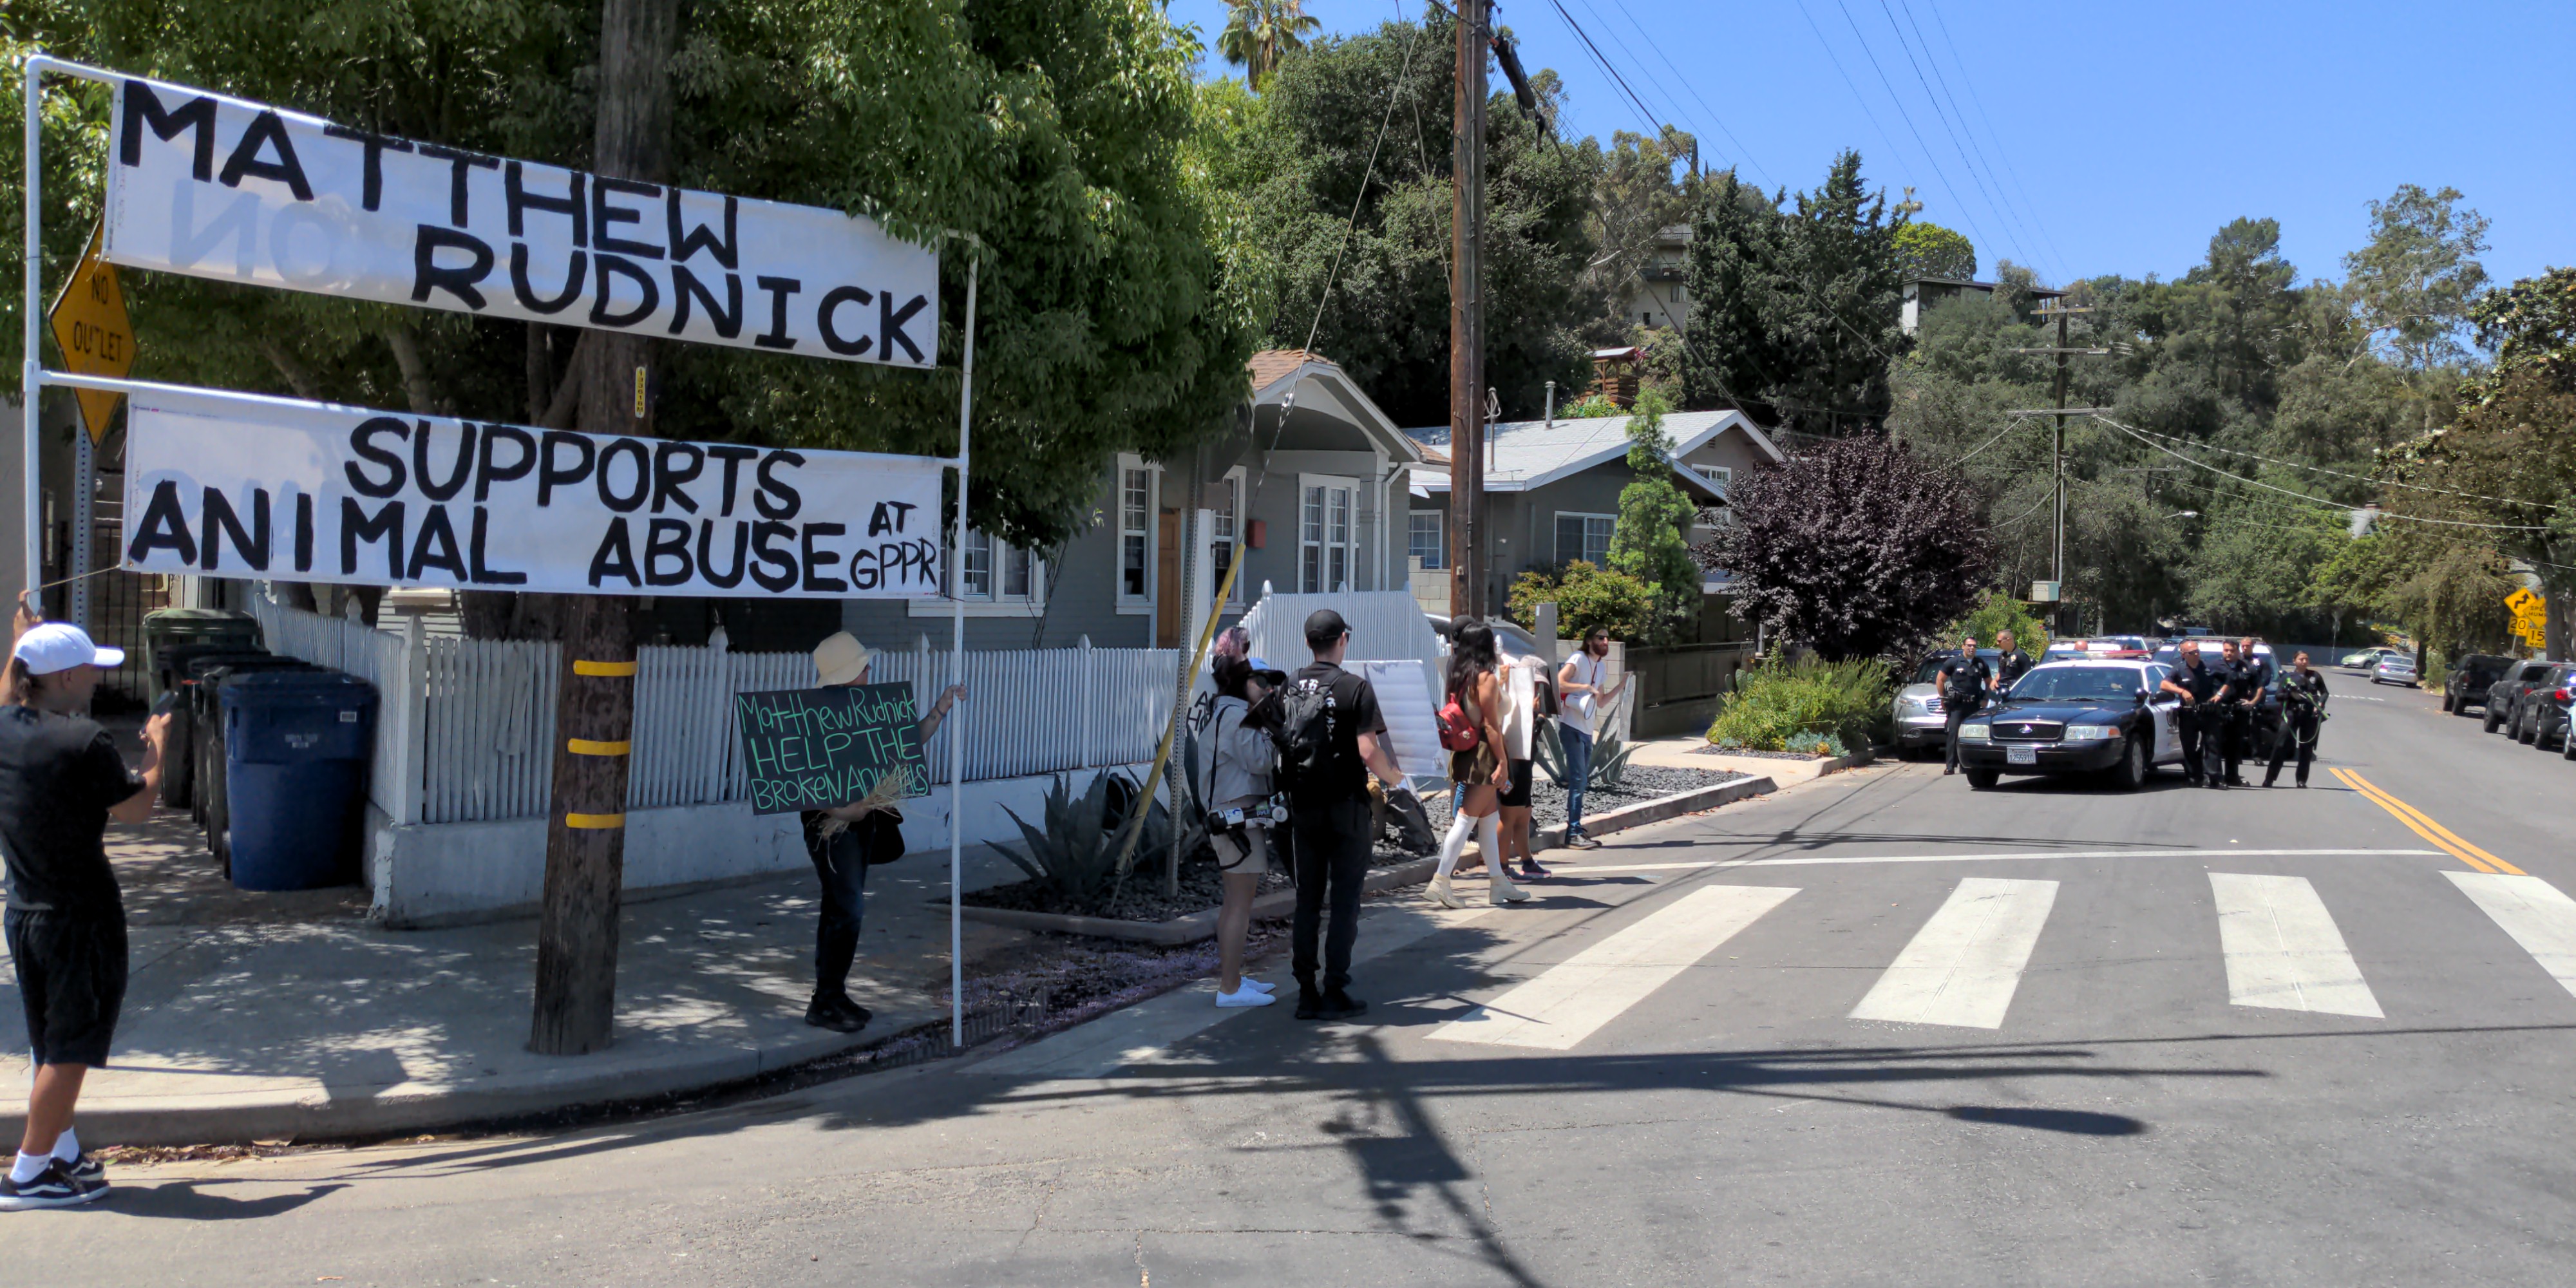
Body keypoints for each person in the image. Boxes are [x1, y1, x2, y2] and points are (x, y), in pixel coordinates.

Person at [1, 594, 169, 1209]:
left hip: (25, 912)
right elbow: (137, 809)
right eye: (92, 670)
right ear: (67, 678)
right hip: (80, 919)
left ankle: (63, 1151)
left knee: (51, 1041)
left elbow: (8, 694)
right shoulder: (84, 740)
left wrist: (20, 639)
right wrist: (156, 748)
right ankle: (28, 1175)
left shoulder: (5, 729)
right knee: (71, 1049)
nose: (98, 679)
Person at [800, 631, 963, 1034]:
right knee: (847, 908)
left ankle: (830, 995)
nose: (870, 670)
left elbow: (905, 745)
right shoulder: (815, 716)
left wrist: (939, 710)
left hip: (863, 820)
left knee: (840, 908)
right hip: (831, 828)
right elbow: (803, 778)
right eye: (863, 666)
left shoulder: (868, 710)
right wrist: (843, 811)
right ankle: (826, 1000)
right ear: (847, 675)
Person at [1276, 610, 1414, 1021]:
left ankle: (1305, 992)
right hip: (1346, 806)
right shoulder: (1355, 687)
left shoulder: (1289, 684)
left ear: (1308, 643)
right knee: (1344, 900)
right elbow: (1368, 750)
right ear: (1342, 640)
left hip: (1303, 806)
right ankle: (1335, 987)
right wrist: (1395, 778)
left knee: (1308, 899)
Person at [1198, 649, 1283, 1007]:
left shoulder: (1224, 710)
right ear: (1240, 682)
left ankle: (1233, 977)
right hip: (1236, 820)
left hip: (1235, 816)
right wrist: (1273, 730)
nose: (1267, 689)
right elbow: (1261, 761)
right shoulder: (1237, 716)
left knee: (1236, 904)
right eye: (1260, 681)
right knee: (1238, 905)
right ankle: (1230, 988)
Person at [1427, 619, 1529, 910]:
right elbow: (1491, 725)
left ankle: (1498, 882)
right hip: (1484, 754)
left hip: (1467, 752)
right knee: (1466, 819)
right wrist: (1503, 763)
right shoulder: (1486, 679)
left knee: (1487, 820)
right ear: (1485, 646)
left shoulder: (1459, 675)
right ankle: (1440, 881)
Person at [1555, 628, 1629, 849]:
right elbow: (1559, 682)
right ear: (1589, 641)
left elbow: (1601, 702)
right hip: (1571, 727)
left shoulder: (1600, 666)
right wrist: (1584, 687)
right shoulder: (1578, 658)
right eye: (1600, 638)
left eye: (1607, 638)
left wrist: (1621, 686)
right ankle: (1573, 832)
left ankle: (1576, 830)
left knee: (1582, 780)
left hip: (1587, 731)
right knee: (1579, 779)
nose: (1605, 641)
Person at [1494, 644, 1547, 881]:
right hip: (1514, 759)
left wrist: (1537, 716)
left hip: (1524, 760)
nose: (1536, 688)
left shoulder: (1527, 701)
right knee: (1509, 816)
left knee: (1524, 814)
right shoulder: (1511, 696)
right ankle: (1502, 866)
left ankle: (1527, 861)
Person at [2160, 639, 2230, 789]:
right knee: (2189, 747)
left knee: (2213, 745)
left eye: (2198, 651)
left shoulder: (2209, 667)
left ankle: (2216, 778)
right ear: (2183, 654)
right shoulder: (2179, 669)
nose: (2196, 654)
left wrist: (2220, 694)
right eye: (2192, 652)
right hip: (2189, 713)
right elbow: (2164, 684)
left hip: (2209, 712)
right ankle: (2195, 777)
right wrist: (2182, 691)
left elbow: (2229, 679)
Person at [2263, 652, 2329, 788]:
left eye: (2306, 659)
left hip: (2309, 715)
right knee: (2280, 745)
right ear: (2295, 661)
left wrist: (2320, 704)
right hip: (2292, 714)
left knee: (2306, 748)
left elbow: (2324, 692)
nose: (2304, 661)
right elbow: (2278, 696)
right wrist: (2290, 694)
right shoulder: (2288, 678)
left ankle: (2301, 780)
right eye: (2301, 659)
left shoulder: (2314, 676)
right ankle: (2270, 778)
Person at [1936, 636, 1991, 775]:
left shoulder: (1981, 664)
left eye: (1974, 646)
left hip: (1974, 705)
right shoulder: (1954, 662)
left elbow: (1989, 682)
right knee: (1953, 734)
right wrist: (1943, 698)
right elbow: (1940, 679)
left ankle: (1967, 765)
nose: (1972, 648)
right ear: (1963, 647)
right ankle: (1950, 766)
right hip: (1957, 705)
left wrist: (1986, 699)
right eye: (1969, 645)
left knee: (1973, 734)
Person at [1992, 630, 2035, 695]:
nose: (1997, 643)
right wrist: (1995, 681)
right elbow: (2000, 672)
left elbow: (2028, 677)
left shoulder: (2021, 655)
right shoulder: (2002, 655)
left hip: (2014, 691)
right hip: (2001, 690)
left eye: (1999, 641)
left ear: (2008, 640)